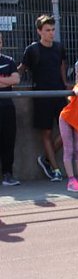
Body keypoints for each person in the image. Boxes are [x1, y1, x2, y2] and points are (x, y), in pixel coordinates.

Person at [18, 14, 69, 182]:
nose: (51, 33)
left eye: (53, 30)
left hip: (59, 94)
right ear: (39, 31)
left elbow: (62, 66)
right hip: (41, 96)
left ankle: (46, 159)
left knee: (67, 130)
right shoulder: (32, 50)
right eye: (47, 30)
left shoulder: (59, 47)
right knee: (46, 132)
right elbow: (21, 69)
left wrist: (65, 85)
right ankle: (55, 169)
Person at [0, 31, 21, 186]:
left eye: (0, 40)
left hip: (7, 107)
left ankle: (8, 174)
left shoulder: (9, 60)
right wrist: (6, 81)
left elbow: (16, 79)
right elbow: (10, 80)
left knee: (8, 141)